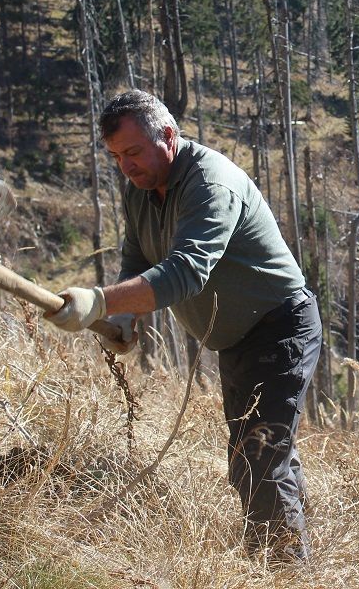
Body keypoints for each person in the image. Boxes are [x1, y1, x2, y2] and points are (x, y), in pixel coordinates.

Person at [46, 89, 321, 562]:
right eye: (116, 157)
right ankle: (299, 554)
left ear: (168, 136)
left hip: (281, 326)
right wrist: (122, 316)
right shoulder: (140, 193)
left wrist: (96, 301)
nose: (126, 166)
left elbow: (187, 272)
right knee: (253, 456)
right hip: (236, 340)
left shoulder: (210, 183)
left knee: (260, 459)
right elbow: (138, 258)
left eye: (133, 152)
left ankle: (284, 571)